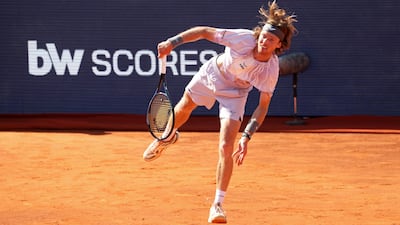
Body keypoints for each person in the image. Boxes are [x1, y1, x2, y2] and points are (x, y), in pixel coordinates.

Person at [143, 1, 297, 223]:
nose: (264, 41)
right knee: (185, 106)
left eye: (271, 39)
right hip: (213, 73)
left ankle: (217, 205)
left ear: (279, 45)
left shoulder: (270, 70)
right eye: (263, 35)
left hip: (236, 94)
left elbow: (262, 107)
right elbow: (205, 32)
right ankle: (167, 137)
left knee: (226, 146)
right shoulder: (243, 38)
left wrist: (247, 137)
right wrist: (172, 42)